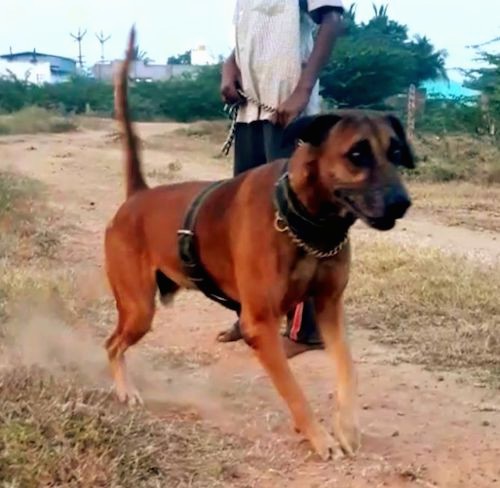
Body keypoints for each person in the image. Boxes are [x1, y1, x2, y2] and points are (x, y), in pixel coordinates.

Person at [218, 0, 345, 358]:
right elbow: (249, 38)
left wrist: (302, 90)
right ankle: (250, 315)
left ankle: (308, 329)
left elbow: (332, 21)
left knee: (298, 219)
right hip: (249, 112)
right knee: (250, 218)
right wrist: (228, 69)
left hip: (289, 111)